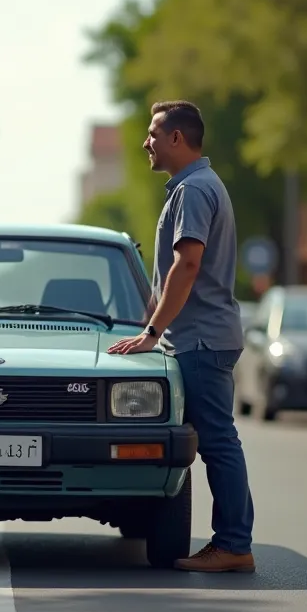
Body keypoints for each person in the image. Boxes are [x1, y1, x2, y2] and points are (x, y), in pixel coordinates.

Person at [107, 100, 255, 574]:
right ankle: (230, 542)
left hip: (201, 341)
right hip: (200, 337)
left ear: (177, 138)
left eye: (153, 134)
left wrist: (152, 332)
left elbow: (187, 264)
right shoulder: (193, 187)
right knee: (208, 441)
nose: (145, 143)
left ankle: (233, 545)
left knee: (216, 442)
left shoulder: (194, 190)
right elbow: (171, 275)